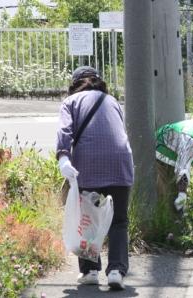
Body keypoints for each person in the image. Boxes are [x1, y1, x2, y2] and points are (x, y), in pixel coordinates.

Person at [56, 66, 134, 290]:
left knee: (87, 216)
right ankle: (117, 271)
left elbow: (64, 131)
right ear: (99, 82)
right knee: (119, 220)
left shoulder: (70, 102)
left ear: (75, 83)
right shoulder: (112, 101)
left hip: (87, 164)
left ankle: (90, 270)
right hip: (119, 161)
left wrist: (63, 157)